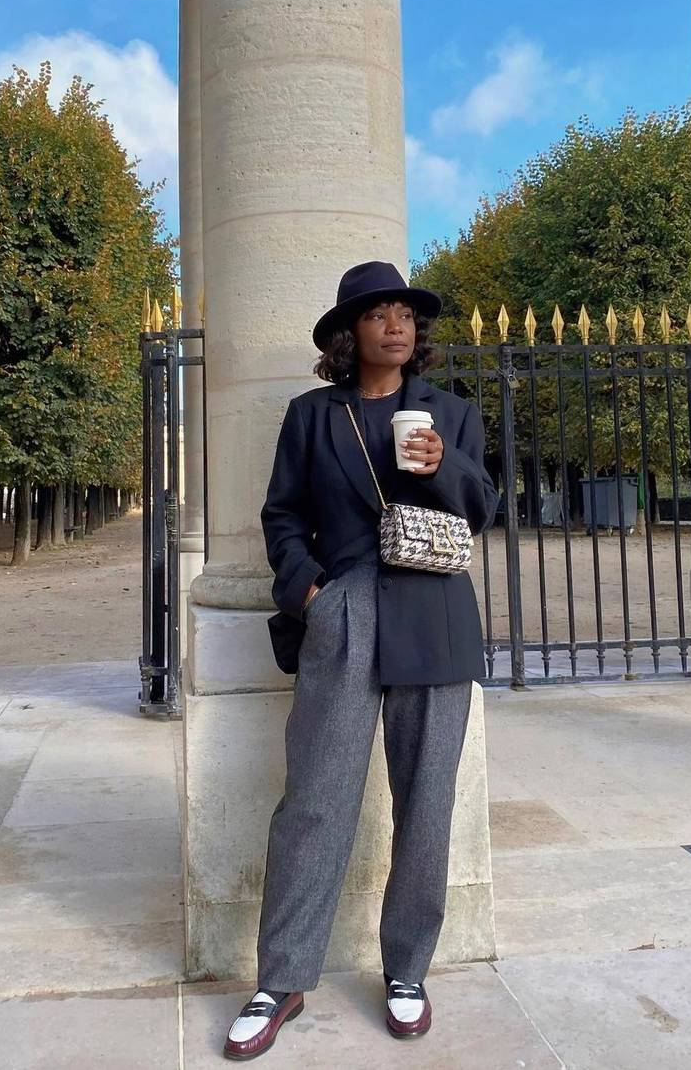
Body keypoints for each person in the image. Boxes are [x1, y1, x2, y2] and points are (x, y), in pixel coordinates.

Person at [223, 260, 498, 1061]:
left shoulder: (450, 412)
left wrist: (442, 462)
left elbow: (483, 504)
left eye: (406, 313)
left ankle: (407, 969)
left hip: (435, 617)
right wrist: (310, 591)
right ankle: (282, 977)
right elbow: (281, 513)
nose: (396, 325)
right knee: (314, 799)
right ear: (351, 333)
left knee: (426, 803)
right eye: (378, 313)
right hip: (344, 610)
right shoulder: (313, 416)